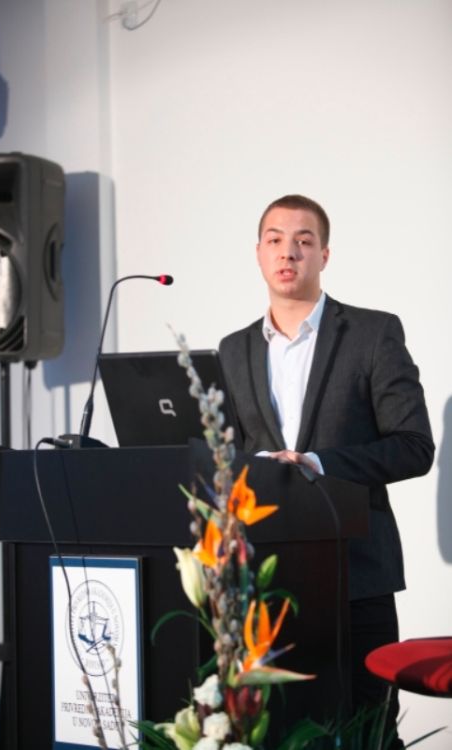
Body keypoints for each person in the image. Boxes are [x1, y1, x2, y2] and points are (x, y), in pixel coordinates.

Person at [219, 194, 434, 746]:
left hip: (356, 573)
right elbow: (227, 460)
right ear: (258, 253)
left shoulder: (372, 333)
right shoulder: (233, 350)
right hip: (267, 579)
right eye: (275, 240)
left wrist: (318, 463)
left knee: (368, 731)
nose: (287, 252)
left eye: (303, 240)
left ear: (324, 255)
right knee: (277, 733)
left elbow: (414, 447)